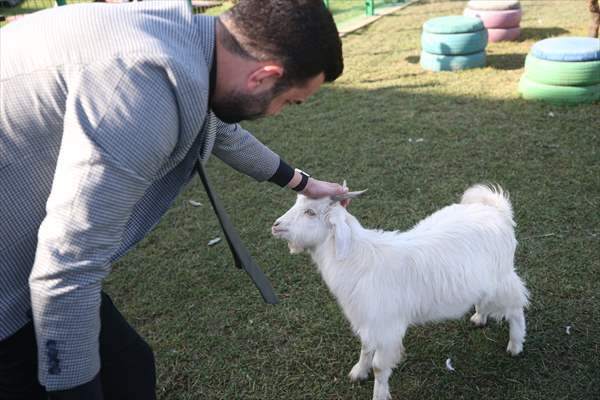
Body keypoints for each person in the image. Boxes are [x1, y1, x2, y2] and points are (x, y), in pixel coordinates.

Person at [0, 0, 345, 398]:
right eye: (288, 101)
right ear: (263, 76)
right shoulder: (142, 88)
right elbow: (68, 264)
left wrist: (303, 184)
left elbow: (221, 131)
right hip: (14, 289)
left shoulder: (188, 43)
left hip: (27, 252)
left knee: (127, 369)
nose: (279, 112)